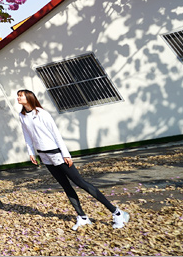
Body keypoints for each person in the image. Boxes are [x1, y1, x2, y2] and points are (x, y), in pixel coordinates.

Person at [17, 89, 130, 231]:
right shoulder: (22, 116)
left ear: (29, 97)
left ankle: (117, 213)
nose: (18, 98)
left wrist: (66, 154)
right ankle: (82, 217)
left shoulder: (42, 113)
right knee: (65, 186)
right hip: (44, 155)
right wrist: (31, 152)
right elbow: (26, 134)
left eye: (20, 95)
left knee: (80, 182)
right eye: (18, 96)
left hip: (57, 153)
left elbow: (56, 134)